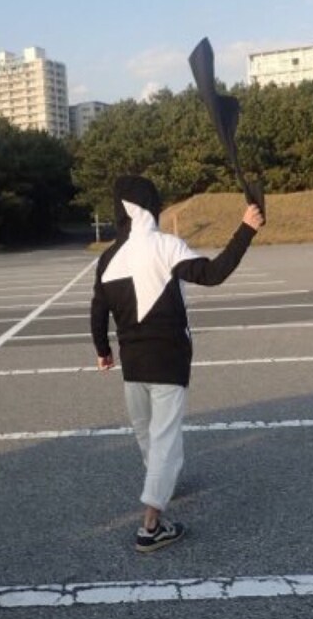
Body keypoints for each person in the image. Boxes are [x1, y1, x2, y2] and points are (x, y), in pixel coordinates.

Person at [90, 175, 263, 553]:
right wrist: (246, 229)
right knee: (165, 439)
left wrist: (103, 350)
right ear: (151, 205)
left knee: (147, 434)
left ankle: (162, 480)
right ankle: (151, 526)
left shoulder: (107, 258)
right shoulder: (166, 246)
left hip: (132, 364)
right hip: (169, 359)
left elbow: (98, 309)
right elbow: (213, 274)